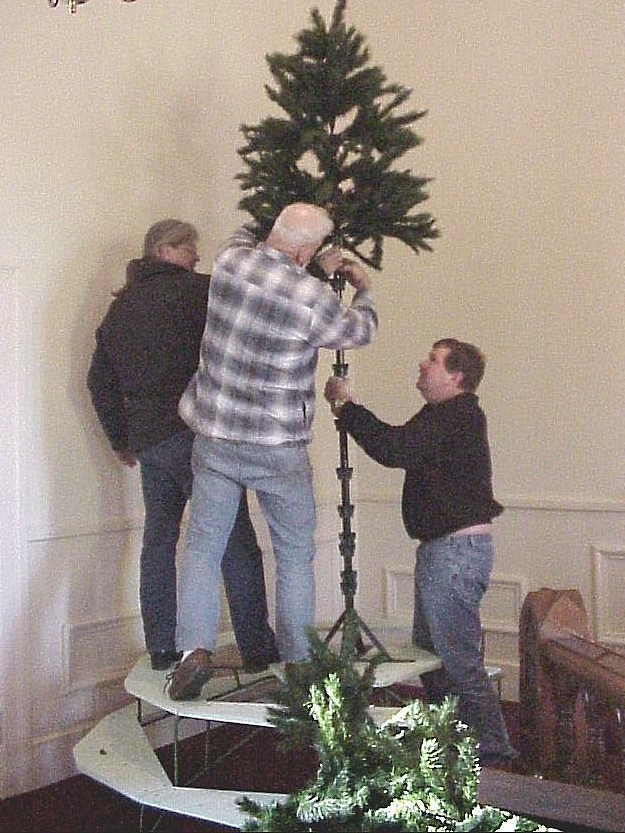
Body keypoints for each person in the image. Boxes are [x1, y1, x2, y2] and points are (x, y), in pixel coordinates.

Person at [168, 203, 378, 700]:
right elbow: (358, 332)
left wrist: (302, 250)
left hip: (216, 435)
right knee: (294, 556)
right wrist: (363, 289)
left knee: (203, 546)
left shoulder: (230, 261)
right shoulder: (312, 297)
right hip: (278, 445)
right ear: (306, 254)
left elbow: (251, 236)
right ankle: (299, 665)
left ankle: (193, 650)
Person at [87, 219, 278, 672]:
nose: (196, 256)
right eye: (190, 248)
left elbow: (98, 381)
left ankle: (161, 648)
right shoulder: (200, 292)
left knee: (159, 542)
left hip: (149, 444)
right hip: (197, 437)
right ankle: (257, 648)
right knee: (234, 540)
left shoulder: (120, 309)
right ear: (165, 249)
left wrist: (120, 440)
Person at [323, 339, 518, 767]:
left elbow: (395, 448)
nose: (422, 364)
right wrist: (349, 411)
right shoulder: (442, 414)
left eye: (433, 359)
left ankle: (494, 756)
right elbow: (398, 445)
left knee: (457, 663)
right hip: (445, 553)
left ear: (456, 376)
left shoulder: (457, 414)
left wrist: (348, 407)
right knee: (435, 662)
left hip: (454, 554)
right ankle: (452, 746)